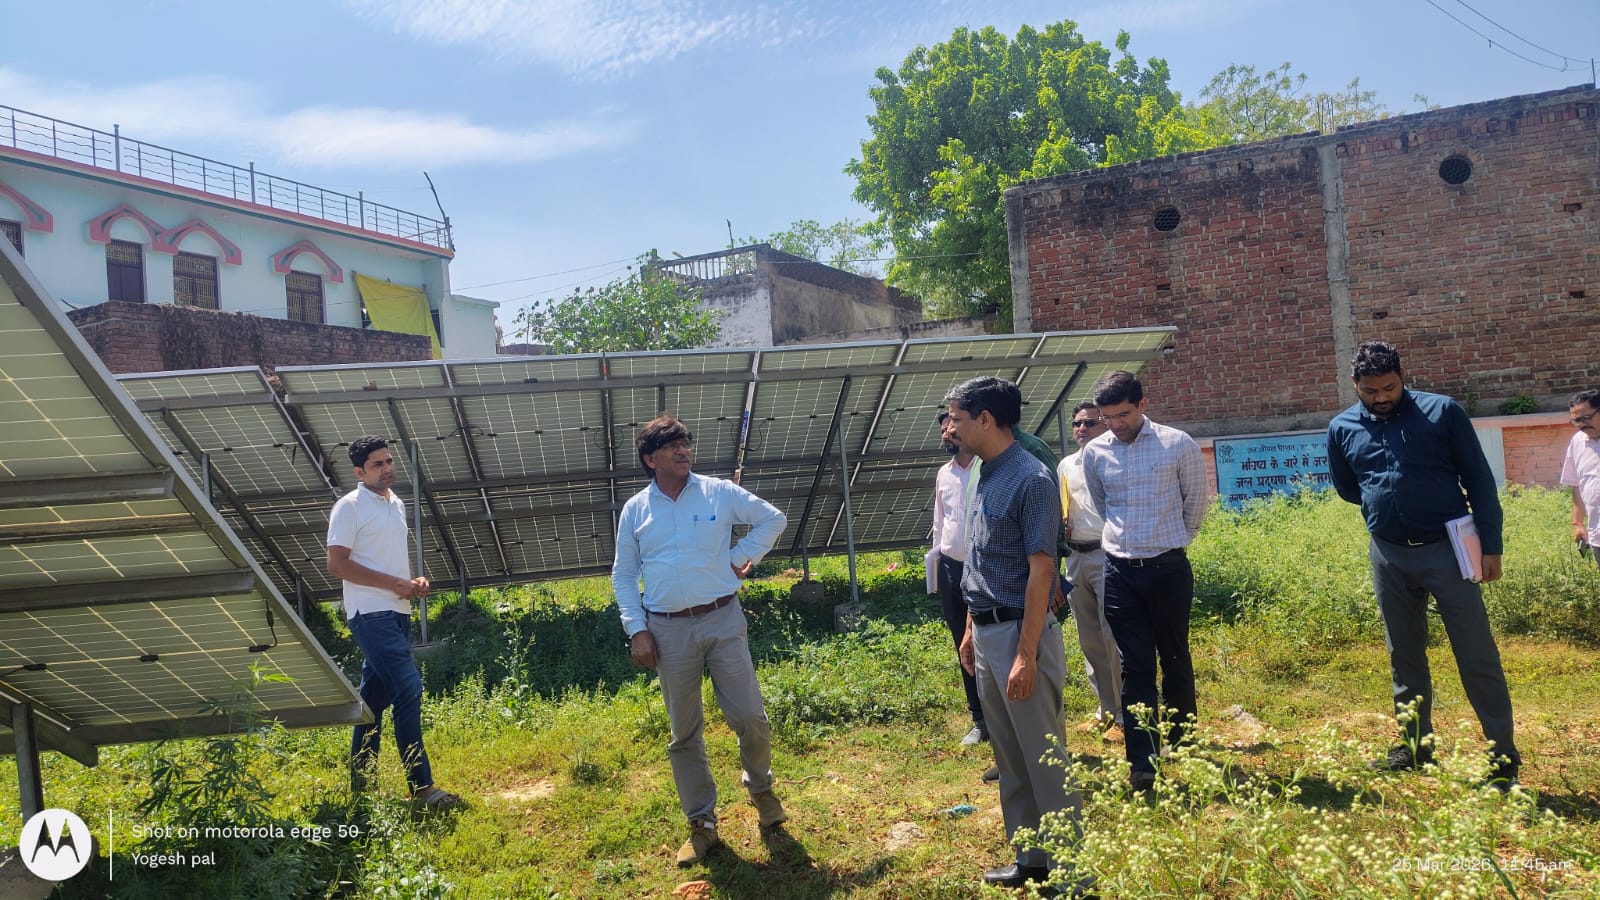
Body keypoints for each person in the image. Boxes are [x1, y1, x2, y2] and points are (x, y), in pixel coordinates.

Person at [1327, 341, 1520, 786]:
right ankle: (1416, 747)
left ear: (1402, 376)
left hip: (1448, 550)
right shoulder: (1342, 428)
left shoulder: (1442, 412)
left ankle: (1502, 755)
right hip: (1388, 554)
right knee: (1404, 652)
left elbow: (1478, 478)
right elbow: (1348, 488)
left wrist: (1491, 545)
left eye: (1389, 388)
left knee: (1475, 652)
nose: (1381, 397)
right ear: (1355, 385)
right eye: (1370, 391)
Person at [612, 414, 790, 867]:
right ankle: (702, 823)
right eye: (672, 446)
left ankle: (761, 790)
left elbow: (773, 519)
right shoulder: (636, 509)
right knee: (684, 733)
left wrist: (741, 555)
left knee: (750, 716)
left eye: (686, 443)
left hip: (722, 619)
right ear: (650, 459)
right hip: (667, 630)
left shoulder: (718, 492)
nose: (684, 451)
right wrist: (637, 629)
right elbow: (624, 574)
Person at [946, 376, 1083, 892]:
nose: (950, 428)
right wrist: (969, 628)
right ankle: (1032, 858)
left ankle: (1073, 873)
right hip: (988, 633)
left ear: (985, 419)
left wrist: (1026, 655)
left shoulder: (1031, 478)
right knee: (1009, 756)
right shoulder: (987, 472)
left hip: (1020, 634)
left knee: (1044, 757)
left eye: (957, 418)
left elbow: (1042, 571)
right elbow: (982, 561)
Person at [1080, 371, 1208, 793]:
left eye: (1123, 414)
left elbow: (1195, 504)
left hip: (1167, 568)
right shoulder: (1096, 452)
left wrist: (1171, 540)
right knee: (1134, 665)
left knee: (1174, 657)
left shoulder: (1177, 444)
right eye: (1108, 417)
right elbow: (1102, 504)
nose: (1116, 424)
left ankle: (1182, 740)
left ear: (1142, 405)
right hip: (1119, 571)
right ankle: (1143, 761)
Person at [326, 435, 459, 810]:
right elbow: (337, 564)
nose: (387, 468)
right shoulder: (348, 507)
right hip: (371, 615)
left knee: (371, 703)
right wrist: (392, 584)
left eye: (389, 461)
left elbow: (389, 558)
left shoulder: (396, 503)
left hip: (397, 612)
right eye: (377, 464)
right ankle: (422, 789)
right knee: (409, 690)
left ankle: (362, 790)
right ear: (359, 472)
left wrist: (412, 582)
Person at [1056, 402, 1123, 742]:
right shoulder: (1066, 464)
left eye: (1090, 423)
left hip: (1106, 554)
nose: (1082, 429)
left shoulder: (1115, 458)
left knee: (1114, 637)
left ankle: (1125, 715)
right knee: (1090, 639)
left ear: (1105, 425)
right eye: (1077, 423)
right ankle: (1105, 710)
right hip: (1075, 557)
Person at [927, 411, 986, 747]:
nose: (946, 434)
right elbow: (940, 522)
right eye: (942, 430)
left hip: (985, 568)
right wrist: (937, 567)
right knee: (961, 644)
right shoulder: (944, 474)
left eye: (951, 428)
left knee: (989, 638)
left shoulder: (986, 468)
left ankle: (1002, 712)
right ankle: (979, 718)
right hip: (952, 568)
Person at [1561, 388, 1600, 570]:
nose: (1581, 424)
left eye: (1586, 418)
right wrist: (1577, 524)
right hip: (1597, 536)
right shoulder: (1577, 442)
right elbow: (1577, 486)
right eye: (1576, 420)